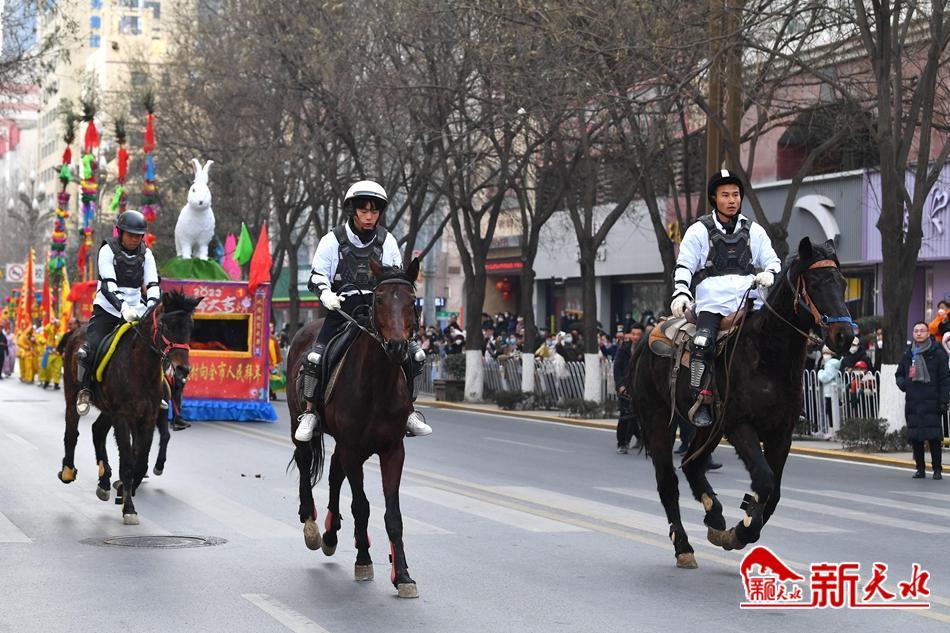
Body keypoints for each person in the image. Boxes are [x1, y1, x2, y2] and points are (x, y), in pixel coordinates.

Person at [296, 180, 431, 442]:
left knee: (414, 354)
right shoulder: (332, 240)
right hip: (342, 309)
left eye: (374, 211)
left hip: (378, 311)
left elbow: (394, 276)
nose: (369, 217)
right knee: (314, 357)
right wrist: (326, 294)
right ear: (353, 211)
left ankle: (409, 410)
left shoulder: (387, 241)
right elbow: (317, 275)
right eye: (364, 210)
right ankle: (310, 412)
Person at [670, 169, 781, 427]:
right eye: (725, 195)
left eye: (735, 194)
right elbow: (684, 265)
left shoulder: (754, 230)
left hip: (751, 301)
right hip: (712, 304)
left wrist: (769, 274)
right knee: (702, 342)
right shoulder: (698, 230)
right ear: (714, 198)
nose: (732, 200)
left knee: (776, 341)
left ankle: (781, 398)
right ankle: (701, 399)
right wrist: (681, 291)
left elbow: (773, 260)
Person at [75, 210, 160, 416]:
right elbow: (108, 285)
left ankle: (159, 391)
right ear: (120, 232)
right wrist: (123, 309)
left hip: (137, 309)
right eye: (131, 235)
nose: (135, 239)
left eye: (139, 235)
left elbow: (153, 284)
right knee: (89, 349)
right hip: (108, 308)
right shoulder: (107, 250)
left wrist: (151, 308)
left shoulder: (147, 254)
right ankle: (85, 390)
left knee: (157, 346)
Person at [895, 321, 949, 480]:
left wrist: (944, 400)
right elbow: (899, 374)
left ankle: (937, 469)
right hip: (913, 401)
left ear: (928, 333)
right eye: (916, 331)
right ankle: (920, 468)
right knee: (916, 437)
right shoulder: (908, 353)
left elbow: (945, 378)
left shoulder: (937, 352)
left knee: (934, 437)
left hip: (932, 400)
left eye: (922, 331)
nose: (919, 333)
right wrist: (905, 385)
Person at [614, 323, 643, 453]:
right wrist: (620, 385)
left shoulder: (645, 349)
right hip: (625, 388)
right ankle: (622, 443)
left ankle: (639, 437)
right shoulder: (624, 349)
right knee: (624, 415)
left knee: (636, 416)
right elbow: (617, 368)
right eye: (633, 334)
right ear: (630, 334)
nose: (635, 337)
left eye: (638, 334)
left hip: (639, 388)